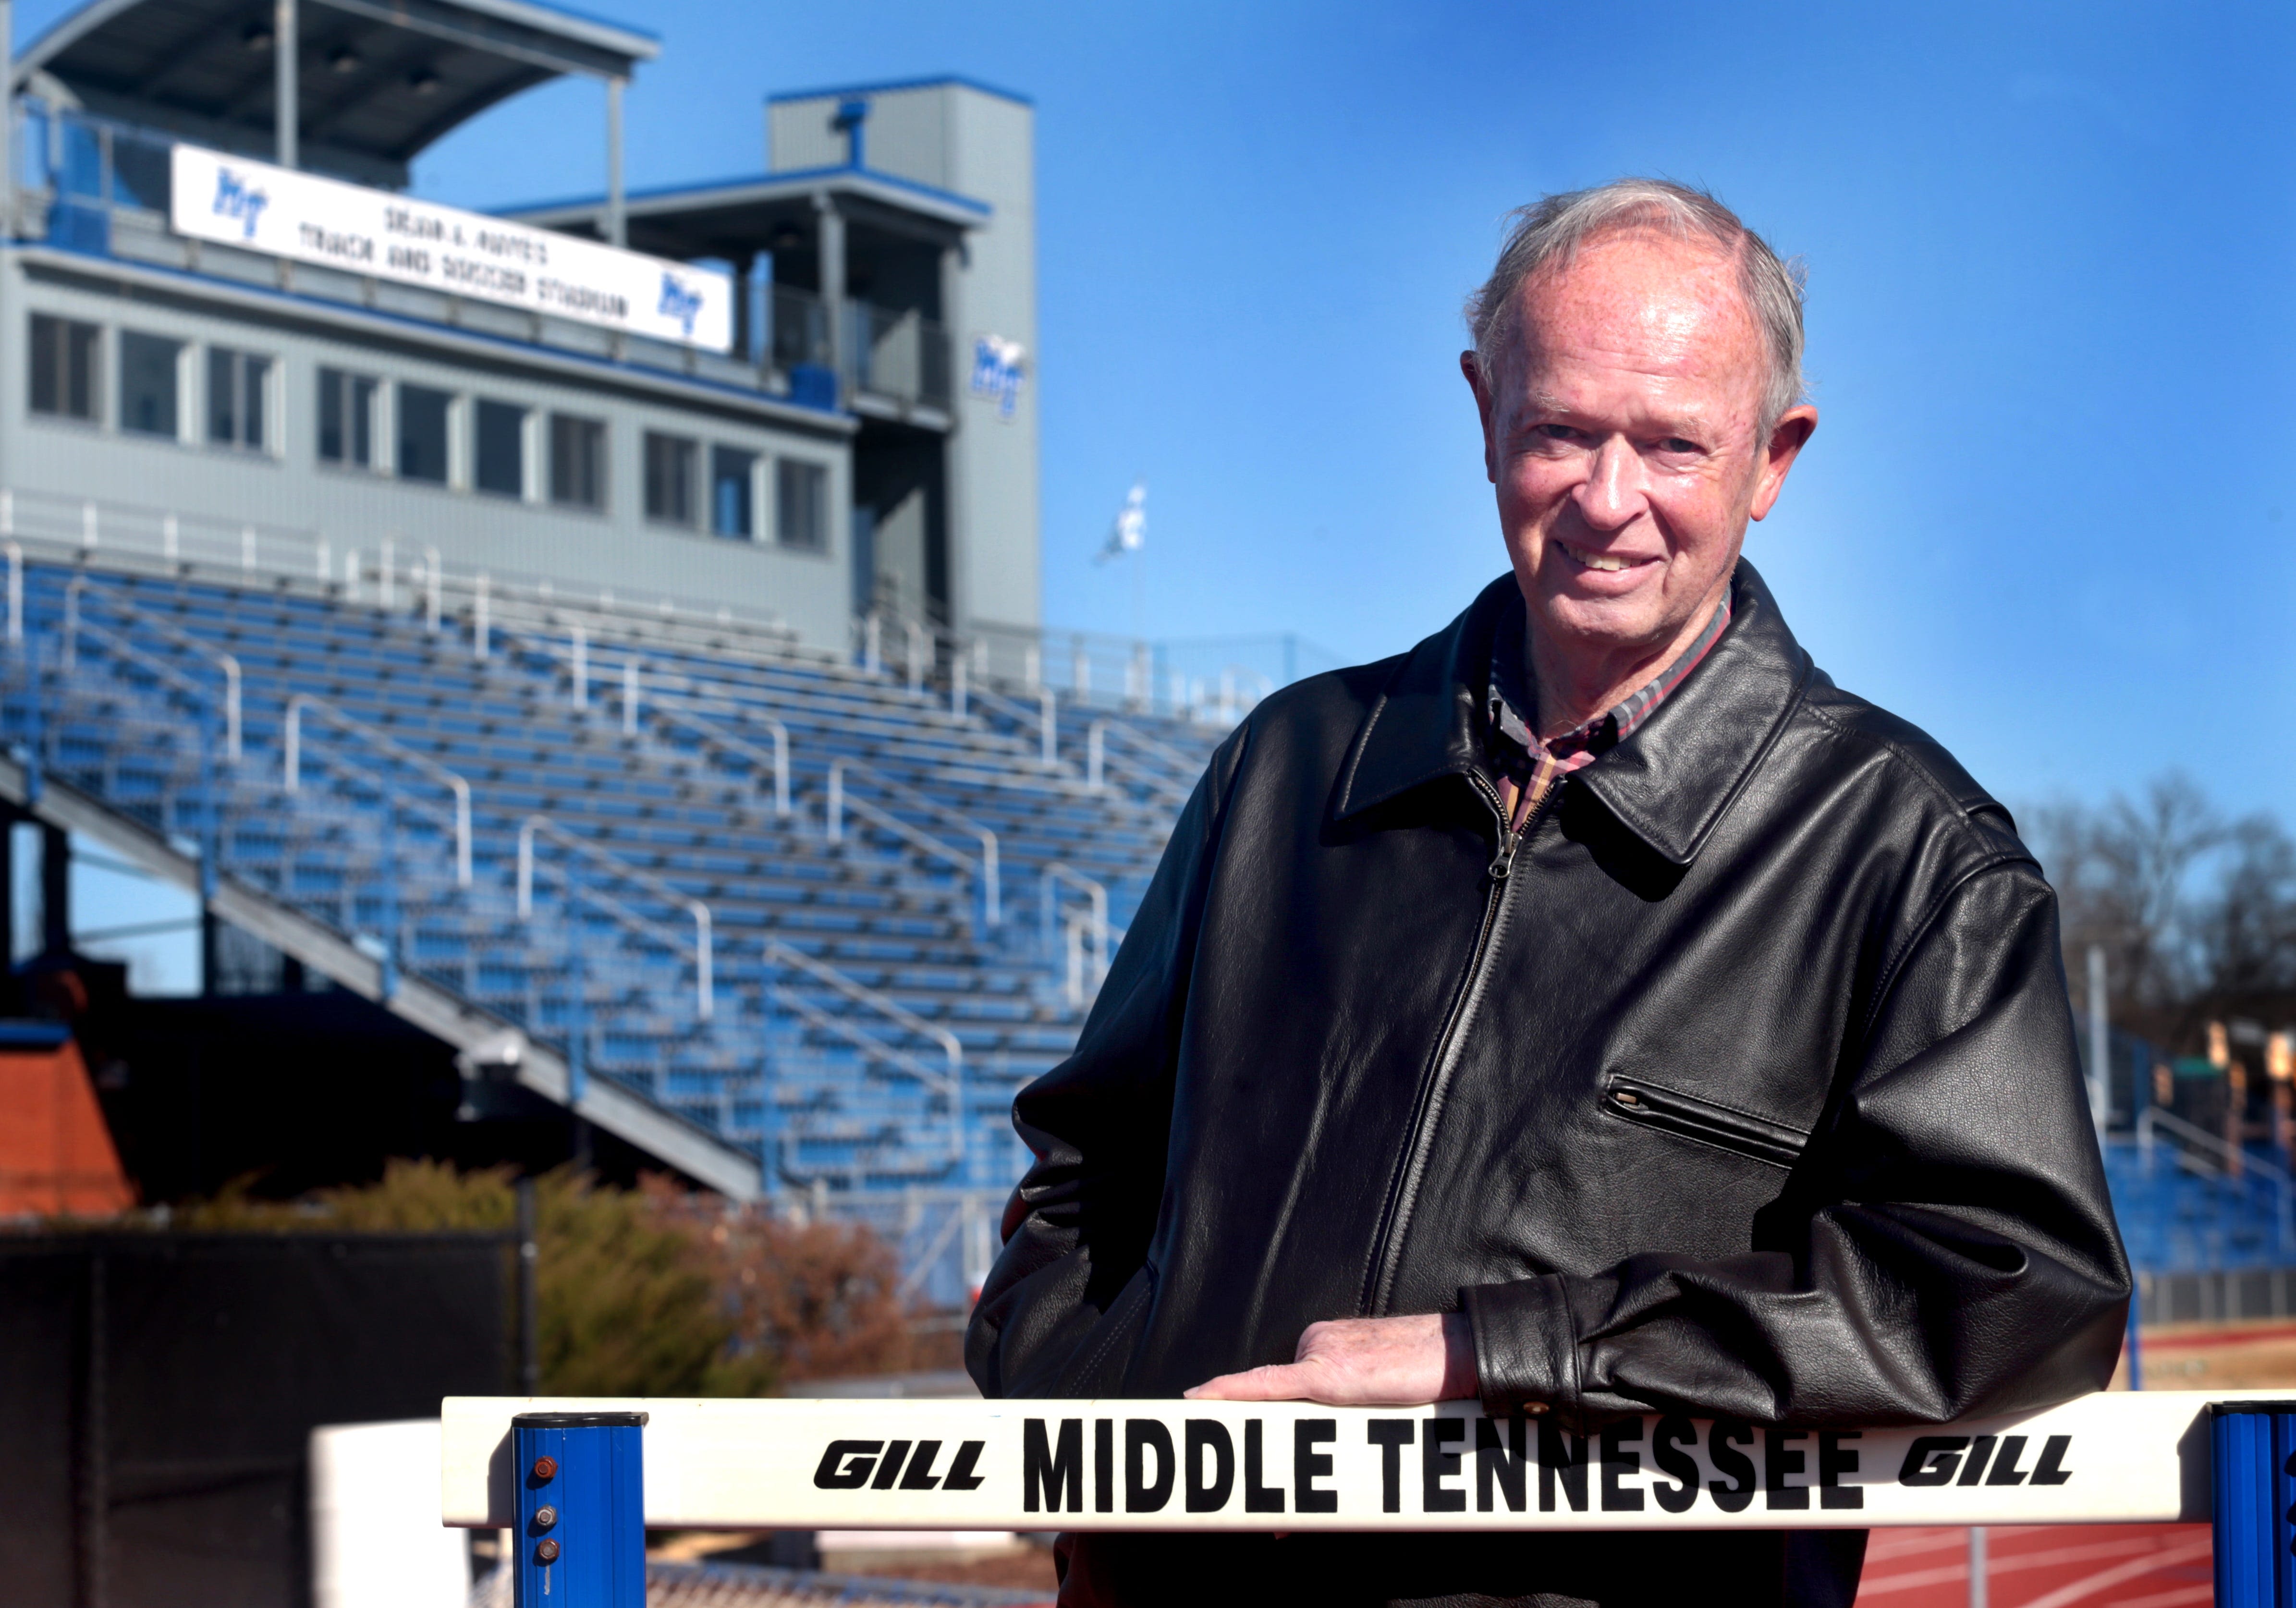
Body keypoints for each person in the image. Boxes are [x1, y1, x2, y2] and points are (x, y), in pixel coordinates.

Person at [965, 179, 2130, 1608]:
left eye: (1672, 444)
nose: (1606, 499)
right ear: (1480, 412)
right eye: (1561, 431)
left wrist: (1495, 1353)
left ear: (1774, 458)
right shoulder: (1285, 769)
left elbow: (2016, 1289)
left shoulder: (1908, 850)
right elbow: (1085, 1172)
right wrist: (1098, 1420)